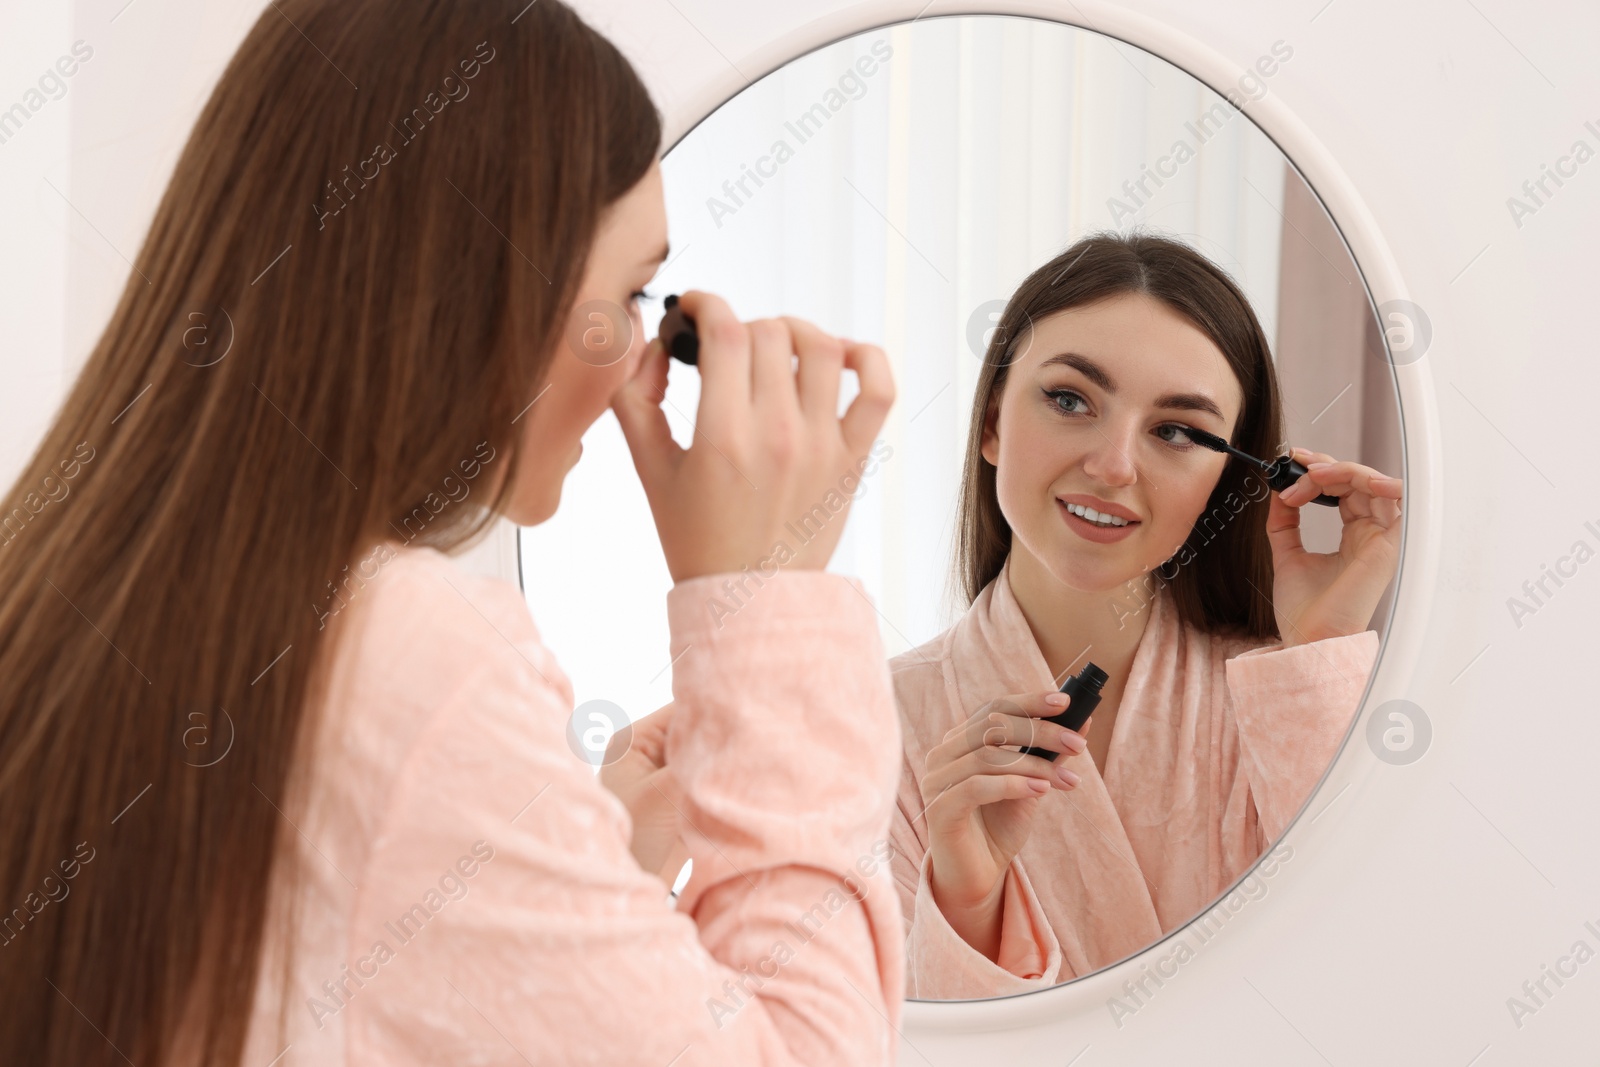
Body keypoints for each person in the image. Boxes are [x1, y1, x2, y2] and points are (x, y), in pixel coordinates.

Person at [0, 2, 904, 1064]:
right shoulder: (406, 655)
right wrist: (769, 603)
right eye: (630, 292)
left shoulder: (59, 577)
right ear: (469, 285)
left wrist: (572, 849)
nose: (633, 373)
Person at [888, 232, 1402, 998]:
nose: (1114, 464)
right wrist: (967, 905)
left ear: (1228, 478)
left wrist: (1321, 651)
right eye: (1069, 399)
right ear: (992, 422)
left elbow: (1379, 982)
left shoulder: (1293, 698)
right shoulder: (865, 725)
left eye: (1178, 431)